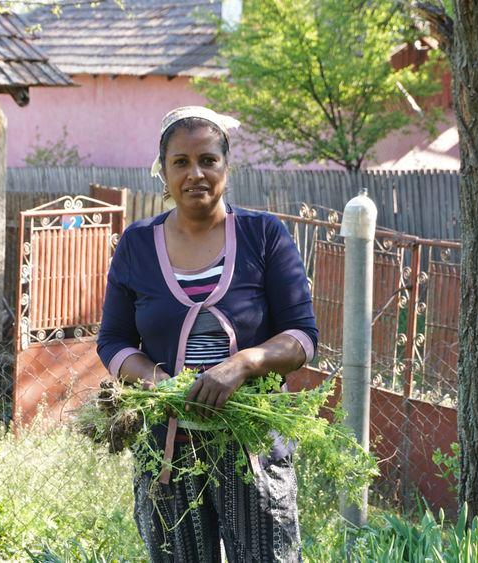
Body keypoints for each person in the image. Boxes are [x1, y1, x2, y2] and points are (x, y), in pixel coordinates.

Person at [97, 106, 318, 562]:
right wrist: (163, 387)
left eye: (208, 160)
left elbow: (301, 334)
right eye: (180, 162)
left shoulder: (264, 236)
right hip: (167, 454)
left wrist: (244, 364)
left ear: (226, 167)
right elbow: (113, 341)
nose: (195, 173)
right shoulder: (137, 245)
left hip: (251, 446)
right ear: (163, 171)